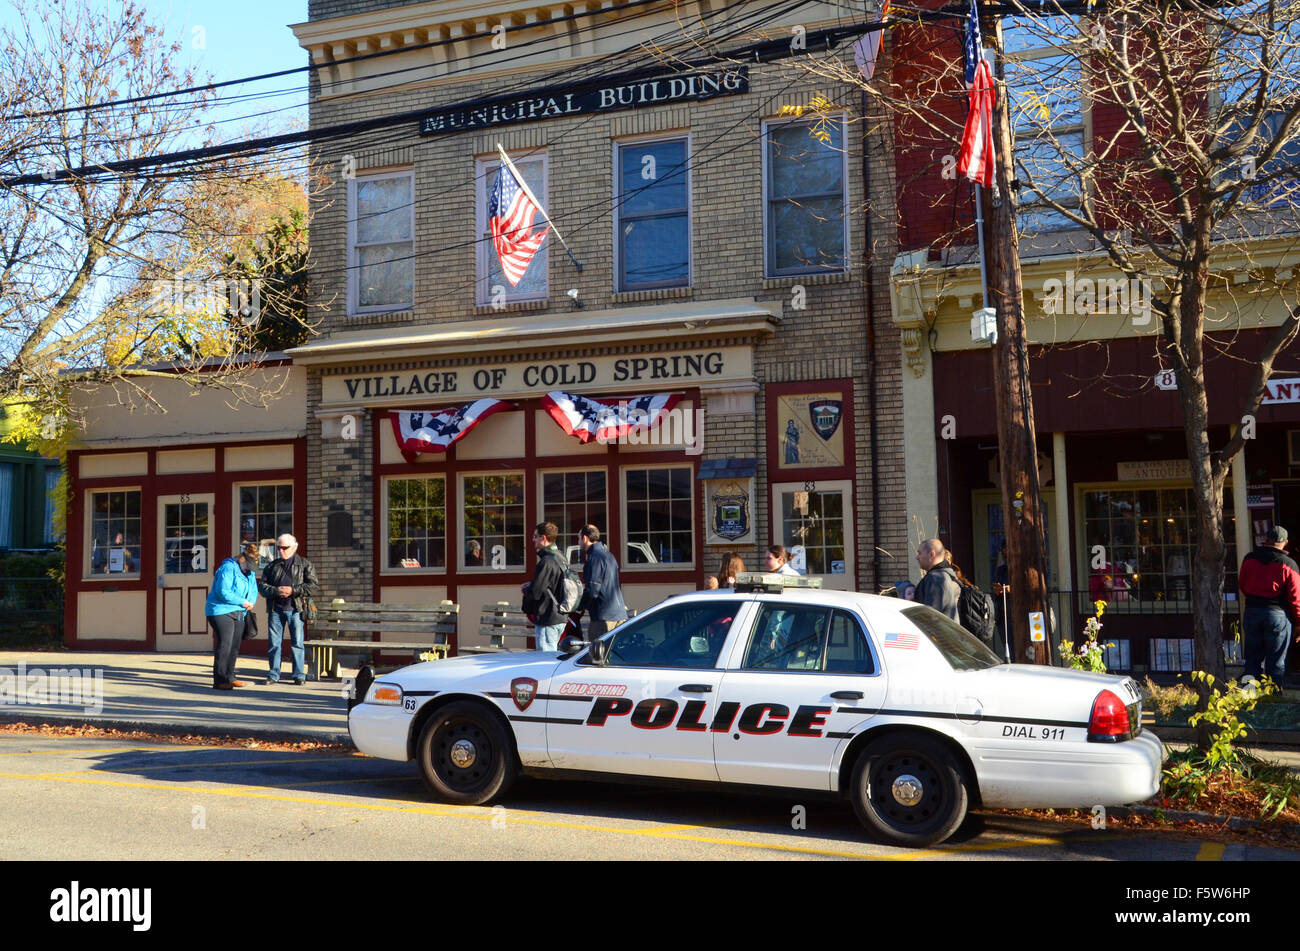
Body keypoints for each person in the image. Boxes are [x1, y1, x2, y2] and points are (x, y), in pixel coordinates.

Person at [1237, 525, 1300, 685]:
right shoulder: (1289, 564)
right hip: (1277, 614)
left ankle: (1249, 694)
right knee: (1276, 663)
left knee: (1252, 660)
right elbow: (1295, 598)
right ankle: (1273, 695)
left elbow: (1242, 584)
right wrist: (1299, 622)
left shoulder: (1249, 559)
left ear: (1267, 539)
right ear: (1286, 543)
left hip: (1252, 611)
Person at [258, 532, 320, 685]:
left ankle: (299, 675)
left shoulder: (305, 564)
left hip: (296, 609)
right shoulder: (272, 566)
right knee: (274, 644)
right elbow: (263, 587)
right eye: (279, 548)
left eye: (284, 548)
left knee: (297, 643)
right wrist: (276, 590)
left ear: (294, 547)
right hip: (276, 609)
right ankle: (273, 674)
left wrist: (293, 590)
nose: (281, 551)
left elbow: (313, 586)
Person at [206, 544, 259, 690]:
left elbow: (253, 590)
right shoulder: (228, 568)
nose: (248, 569)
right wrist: (243, 602)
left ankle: (230, 677)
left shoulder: (249, 573)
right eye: (247, 566)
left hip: (240, 611)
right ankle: (220, 680)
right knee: (225, 644)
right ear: (242, 559)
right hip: (220, 610)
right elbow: (223, 592)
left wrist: (251, 602)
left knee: (235, 646)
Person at [521, 522, 569, 652]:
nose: (533, 539)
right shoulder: (560, 556)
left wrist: (526, 589)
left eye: (535, 536)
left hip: (548, 617)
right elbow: (552, 583)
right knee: (552, 655)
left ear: (543, 538)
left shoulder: (547, 561)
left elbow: (536, 592)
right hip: (560, 615)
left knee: (545, 658)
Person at [575, 524, 628, 638]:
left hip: (603, 617)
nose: (578, 542)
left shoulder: (594, 558)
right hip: (619, 613)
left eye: (579, 538)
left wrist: (579, 606)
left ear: (585, 538)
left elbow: (592, 590)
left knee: (598, 648)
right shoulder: (609, 555)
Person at [915, 538, 960, 621]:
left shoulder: (937, 579)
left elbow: (931, 617)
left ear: (931, 554)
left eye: (919, 553)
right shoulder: (947, 576)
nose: (916, 557)